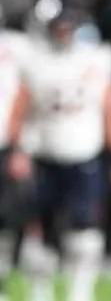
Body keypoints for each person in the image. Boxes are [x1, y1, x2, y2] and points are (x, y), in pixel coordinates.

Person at [14, 4, 111, 301]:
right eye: (59, 25)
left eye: (68, 25)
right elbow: (20, 107)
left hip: (85, 157)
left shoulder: (95, 59)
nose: (64, 31)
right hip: (45, 157)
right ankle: (39, 292)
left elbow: (110, 109)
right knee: (40, 230)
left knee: (86, 229)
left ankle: (80, 293)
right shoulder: (34, 61)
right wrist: (17, 149)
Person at [0, 21, 32, 301]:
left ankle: (2, 279)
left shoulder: (17, 46)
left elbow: (28, 93)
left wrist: (20, 145)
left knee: (7, 217)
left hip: (5, 144)